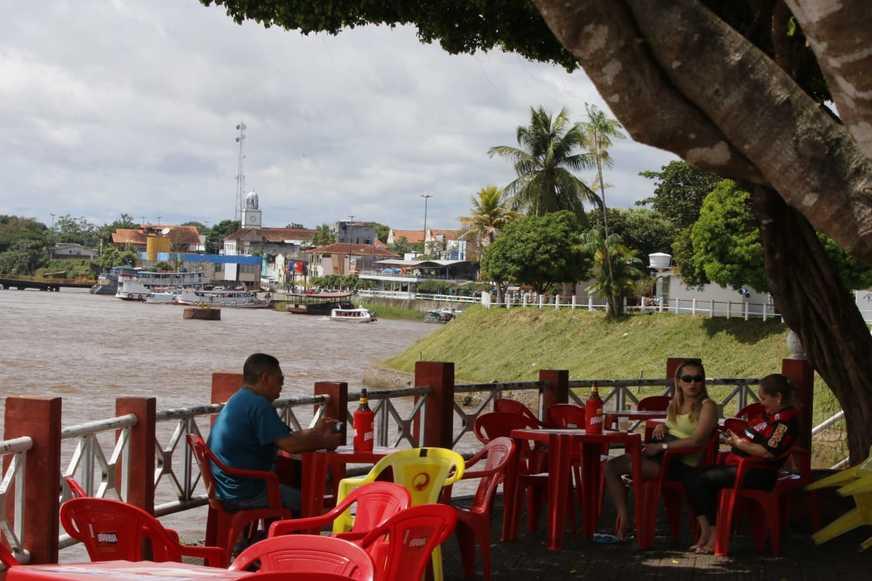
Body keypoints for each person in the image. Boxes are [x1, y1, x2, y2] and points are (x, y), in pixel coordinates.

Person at [207, 353, 343, 515]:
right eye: (280, 380)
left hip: (224, 487)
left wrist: (315, 432)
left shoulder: (239, 399)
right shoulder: (259, 405)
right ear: (265, 378)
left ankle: (275, 535)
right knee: (308, 503)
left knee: (290, 477)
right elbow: (290, 445)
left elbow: (285, 437)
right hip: (245, 491)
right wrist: (325, 442)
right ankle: (294, 538)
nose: (281, 386)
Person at [603, 359, 718, 541]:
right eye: (687, 379)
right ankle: (625, 518)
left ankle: (639, 526)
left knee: (619, 466)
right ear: (678, 381)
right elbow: (673, 426)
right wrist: (662, 427)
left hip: (683, 465)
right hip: (663, 459)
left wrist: (662, 445)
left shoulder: (708, 406)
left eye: (698, 379)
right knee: (610, 467)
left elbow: (697, 441)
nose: (692, 383)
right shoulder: (675, 404)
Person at [683, 373, 798, 554]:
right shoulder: (770, 416)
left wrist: (738, 444)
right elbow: (752, 436)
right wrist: (734, 439)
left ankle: (715, 535)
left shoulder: (785, 421)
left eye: (764, 398)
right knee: (690, 475)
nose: (762, 403)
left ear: (778, 397)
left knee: (701, 480)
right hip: (742, 467)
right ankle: (706, 532)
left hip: (759, 473)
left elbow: (767, 452)